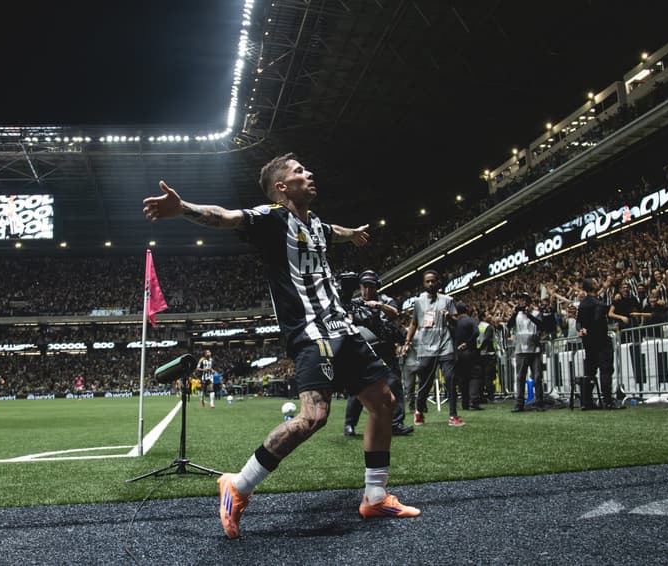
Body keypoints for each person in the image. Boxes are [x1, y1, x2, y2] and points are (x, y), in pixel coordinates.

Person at [142, 152, 419, 539]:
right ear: (281, 187)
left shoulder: (317, 225)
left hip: (343, 328)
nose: (310, 173)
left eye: (307, 167)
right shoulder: (272, 219)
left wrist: (351, 233)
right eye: (299, 171)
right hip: (310, 333)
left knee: (383, 401)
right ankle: (237, 486)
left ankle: (375, 496)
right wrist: (183, 207)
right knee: (312, 418)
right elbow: (223, 216)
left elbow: (331, 229)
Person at [343, 270, 414, 437]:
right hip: (362, 349)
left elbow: (394, 314)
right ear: (360, 287)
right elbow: (347, 320)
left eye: (371, 286)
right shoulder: (354, 303)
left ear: (377, 287)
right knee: (358, 388)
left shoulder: (386, 300)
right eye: (364, 286)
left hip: (385, 349)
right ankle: (349, 425)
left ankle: (396, 424)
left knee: (394, 384)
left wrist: (378, 305)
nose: (367, 290)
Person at [403, 270, 465, 427]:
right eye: (427, 281)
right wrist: (407, 341)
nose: (430, 284)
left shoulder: (448, 300)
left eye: (433, 281)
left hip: (446, 346)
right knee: (425, 382)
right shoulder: (418, 302)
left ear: (438, 282)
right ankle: (419, 411)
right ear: (424, 284)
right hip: (426, 348)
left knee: (450, 379)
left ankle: (453, 415)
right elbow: (414, 323)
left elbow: (456, 322)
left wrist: (449, 317)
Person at [576, 278, 616, 409]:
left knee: (590, 372)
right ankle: (608, 401)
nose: (598, 283)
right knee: (605, 370)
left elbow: (578, 322)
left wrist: (582, 330)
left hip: (588, 343)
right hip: (601, 340)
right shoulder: (598, 303)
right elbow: (597, 320)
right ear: (593, 286)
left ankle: (586, 402)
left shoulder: (583, 304)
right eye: (595, 282)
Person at [507, 292, 544, 412]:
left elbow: (541, 325)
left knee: (537, 377)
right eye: (519, 300)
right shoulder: (516, 314)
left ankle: (539, 402)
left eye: (523, 300)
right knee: (520, 377)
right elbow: (509, 325)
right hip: (520, 349)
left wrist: (530, 315)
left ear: (528, 301)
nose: (521, 302)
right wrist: (514, 313)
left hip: (535, 349)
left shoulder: (536, 313)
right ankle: (519, 404)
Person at [453, 302, 482, 411]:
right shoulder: (470, 320)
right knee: (474, 376)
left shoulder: (454, 322)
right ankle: (474, 402)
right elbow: (476, 332)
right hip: (470, 351)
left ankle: (465, 403)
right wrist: (467, 343)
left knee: (462, 378)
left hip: (458, 353)